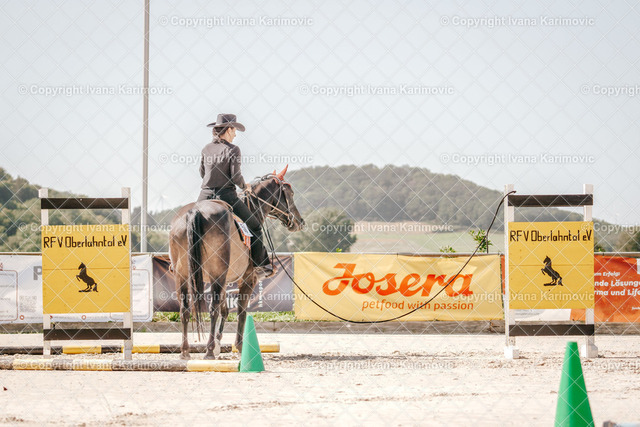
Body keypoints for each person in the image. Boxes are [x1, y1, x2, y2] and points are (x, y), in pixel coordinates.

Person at [197, 113, 274, 277]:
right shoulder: (233, 149)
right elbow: (236, 176)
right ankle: (260, 266)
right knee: (255, 226)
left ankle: (177, 262)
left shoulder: (206, 149)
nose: (235, 134)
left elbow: (202, 173)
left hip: (205, 195)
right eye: (234, 130)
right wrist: (245, 186)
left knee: (190, 223)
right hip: (226, 196)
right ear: (228, 130)